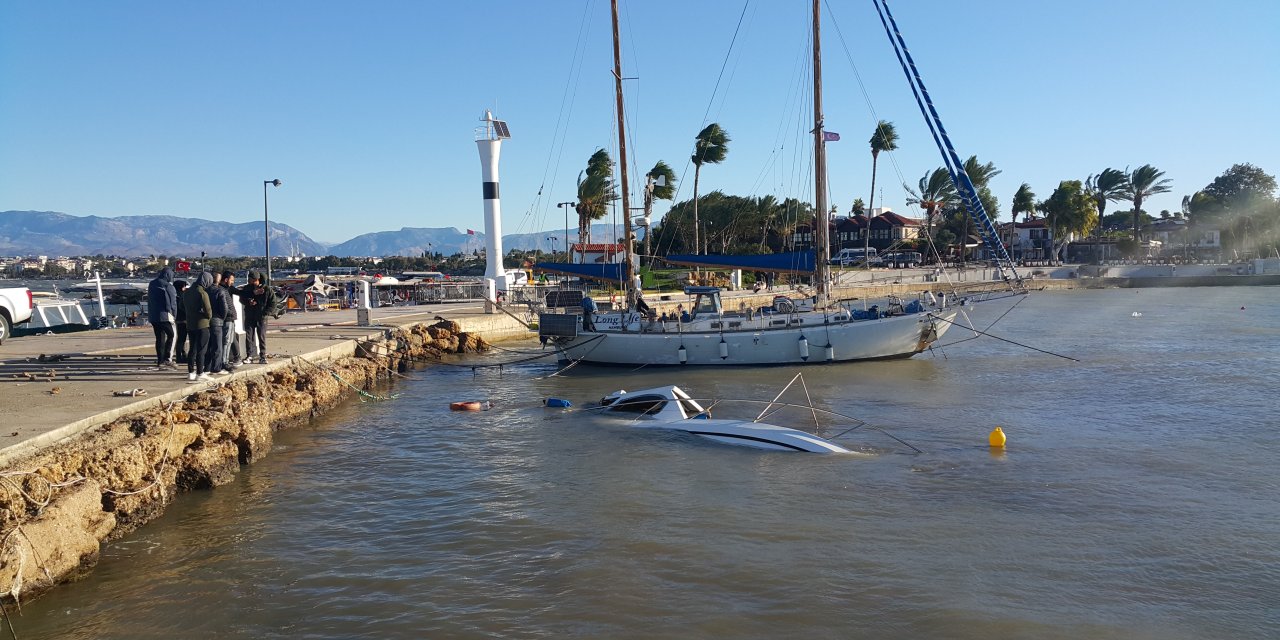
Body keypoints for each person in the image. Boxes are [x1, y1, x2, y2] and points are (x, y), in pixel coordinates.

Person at [237, 271, 276, 364]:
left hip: (261, 317)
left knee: (261, 336)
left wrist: (265, 313)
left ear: (256, 280)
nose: (249, 282)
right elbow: (241, 299)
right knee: (249, 336)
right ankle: (249, 356)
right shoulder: (246, 288)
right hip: (250, 315)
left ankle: (262, 356)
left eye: (250, 280)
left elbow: (273, 303)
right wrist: (248, 302)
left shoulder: (267, 290)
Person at [182, 271, 214, 382]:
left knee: (192, 349)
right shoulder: (202, 293)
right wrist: (208, 317)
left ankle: (191, 372)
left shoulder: (187, 292)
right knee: (202, 349)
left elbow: (183, 306)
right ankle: (200, 373)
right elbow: (208, 311)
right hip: (202, 325)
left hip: (190, 324)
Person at [147, 267, 178, 370]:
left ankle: (160, 360)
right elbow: (173, 303)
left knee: (159, 338)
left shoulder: (152, 284)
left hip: (153, 316)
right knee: (171, 335)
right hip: (165, 316)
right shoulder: (168, 286)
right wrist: (174, 315)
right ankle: (167, 358)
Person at [205, 271, 230, 375]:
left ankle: (206, 367)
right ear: (219, 280)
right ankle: (216, 368)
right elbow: (224, 308)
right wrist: (222, 318)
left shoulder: (205, 290)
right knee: (217, 346)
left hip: (206, 321)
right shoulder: (220, 291)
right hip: (217, 321)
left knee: (207, 345)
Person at [219, 271, 240, 373]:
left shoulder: (227, 289)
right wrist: (229, 314)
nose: (232, 283)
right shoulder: (222, 290)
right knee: (226, 341)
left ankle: (226, 361)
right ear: (226, 280)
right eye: (231, 280)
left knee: (230, 340)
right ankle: (224, 362)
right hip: (227, 319)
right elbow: (224, 306)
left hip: (230, 318)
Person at [173, 280, 189, 363]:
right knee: (182, 339)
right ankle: (180, 356)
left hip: (177, 319)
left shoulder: (174, 296)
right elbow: (183, 307)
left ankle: (181, 354)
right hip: (183, 319)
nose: (185, 288)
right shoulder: (182, 296)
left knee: (180, 338)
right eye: (184, 286)